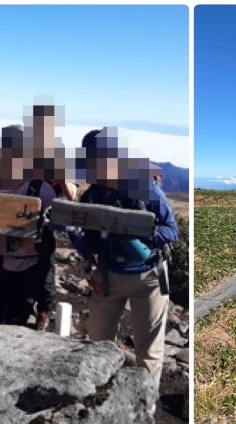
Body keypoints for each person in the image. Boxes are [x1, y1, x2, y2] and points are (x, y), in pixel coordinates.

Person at [63, 127, 178, 393]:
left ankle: (145, 403)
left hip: (150, 276)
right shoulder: (94, 195)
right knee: (98, 340)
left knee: (148, 350)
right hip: (107, 273)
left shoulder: (145, 188)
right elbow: (90, 244)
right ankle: (100, 394)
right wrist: (75, 234)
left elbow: (171, 230)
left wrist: (139, 231)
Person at [0, 125, 58, 330]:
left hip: (29, 269)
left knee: (18, 323)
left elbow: (50, 247)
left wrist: (42, 231)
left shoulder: (42, 190)